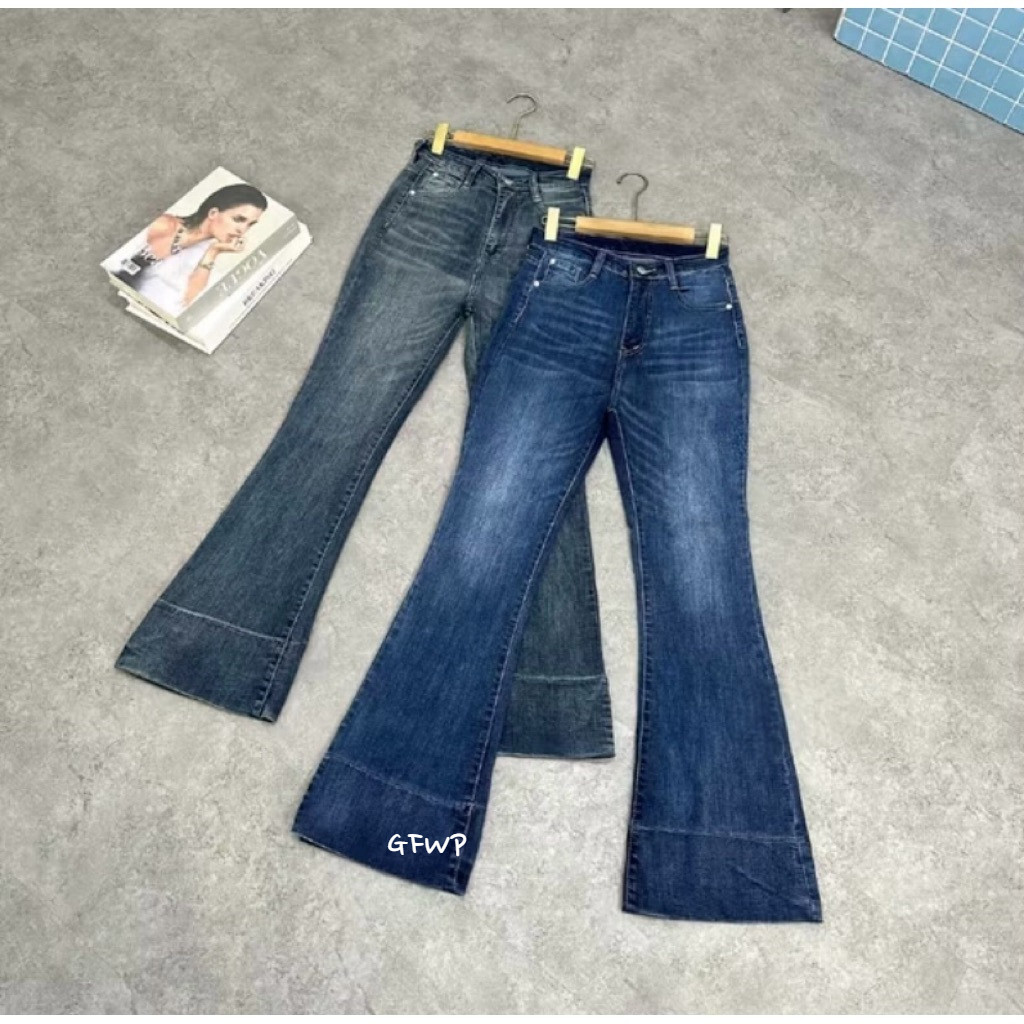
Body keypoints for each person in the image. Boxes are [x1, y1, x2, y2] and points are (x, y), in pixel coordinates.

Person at [114, 183, 267, 316]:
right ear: (213, 213)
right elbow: (129, 261)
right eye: (238, 219)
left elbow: (187, 301)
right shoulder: (165, 224)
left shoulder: (206, 250)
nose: (242, 230)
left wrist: (214, 251)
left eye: (250, 224)